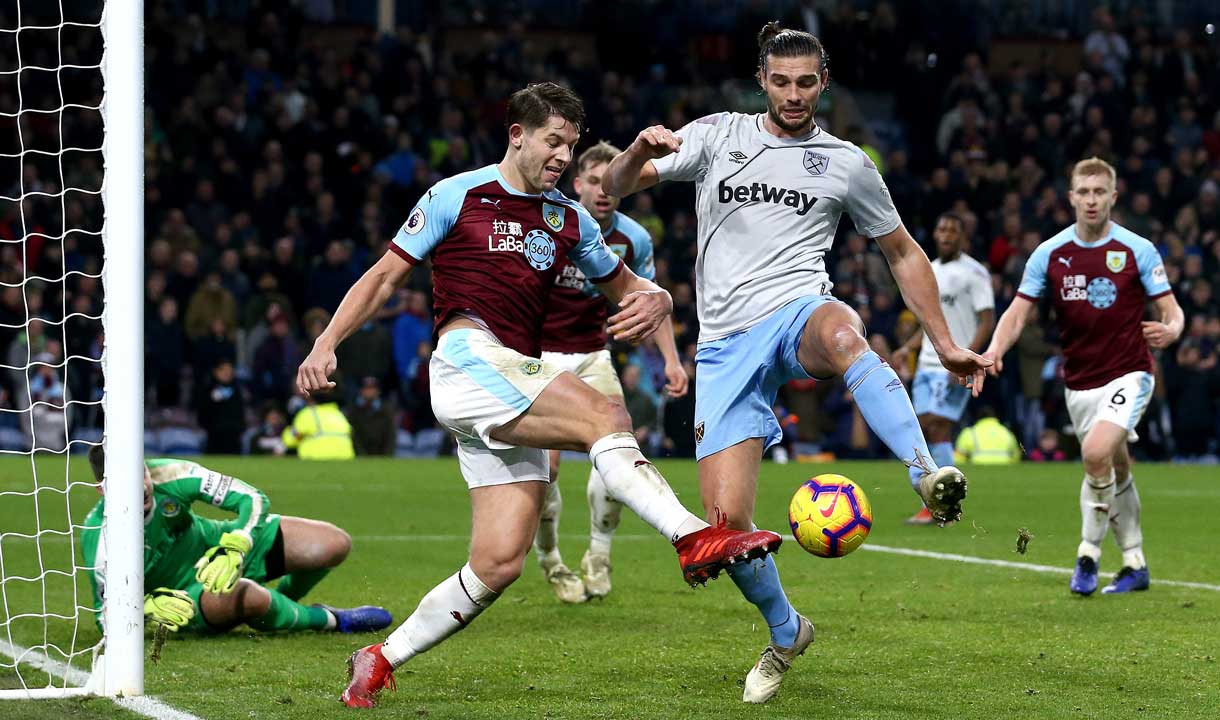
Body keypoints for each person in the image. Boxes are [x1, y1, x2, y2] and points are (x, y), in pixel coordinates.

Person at [295, 82, 782, 708]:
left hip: (506, 384)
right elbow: (386, 274)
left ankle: (380, 658)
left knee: (498, 564)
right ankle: (692, 535)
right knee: (604, 413)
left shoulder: (570, 218)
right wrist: (325, 342)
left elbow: (629, 286)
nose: (563, 156)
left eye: (571, 145)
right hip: (468, 361)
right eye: (554, 142)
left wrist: (656, 297)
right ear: (516, 135)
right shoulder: (457, 195)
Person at [603, 23, 990, 703]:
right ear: (761, 80)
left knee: (845, 335)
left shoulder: (846, 161)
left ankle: (925, 474)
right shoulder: (719, 134)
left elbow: (901, 252)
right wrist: (638, 148)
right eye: (780, 81)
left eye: (805, 82)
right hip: (724, 348)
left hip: (799, 311)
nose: (793, 94)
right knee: (726, 532)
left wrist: (945, 341)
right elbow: (613, 187)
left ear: (824, 81)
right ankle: (787, 631)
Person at [982, 157, 1184, 596]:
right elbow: (1018, 312)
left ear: (1114, 196)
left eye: (1100, 192)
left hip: (1129, 373)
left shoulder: (1137, 249)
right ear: (1071, 197)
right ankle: (1135, 563)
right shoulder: (1051, 253)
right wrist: (995, 348)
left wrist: (1171, 329)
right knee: (1115, 466)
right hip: (1079, 382)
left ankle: (1087, 556)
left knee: (1094, 454)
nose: (1092, 200)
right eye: (1084, 192)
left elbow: (1172, 311)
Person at [532, 140, 689, 604]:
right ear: (577, 184)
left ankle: (598, 555)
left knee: (618, 450)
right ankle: (552, 561)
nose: (604, 193)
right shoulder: (548, 223)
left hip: (591, 354)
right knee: (546, 469)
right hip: (538, 358)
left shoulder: (633, 239)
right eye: (595, 183)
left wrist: (673, 360)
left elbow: (645, 300)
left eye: (612, 185)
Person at [79, 446, 391, 635]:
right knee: (248, 596)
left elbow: (250, 497)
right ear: (102, 490)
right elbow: (104, 615)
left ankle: (284, 605)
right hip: (191, 594)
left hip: (220, 547)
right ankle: (330, 619)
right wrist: (146, 607)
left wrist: (237, 541)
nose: (142, 486)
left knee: (334, 543)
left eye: (142, 473)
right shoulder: (100, 538)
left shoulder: (170, 475)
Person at [891, 212, 995, 523]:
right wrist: (907, 348)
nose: (946, 234)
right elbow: (929, 323)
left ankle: (943, 503)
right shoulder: (929, 270)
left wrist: (965, 356)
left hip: (953, 365)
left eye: (953, 230)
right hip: (926, 363)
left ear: (963, 237)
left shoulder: (975, 273)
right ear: (935, 234)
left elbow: (986, 319)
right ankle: (937, 499)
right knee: (924, 427)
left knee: (938, 424)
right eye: (942, 228)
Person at [282, 387, 356, 460]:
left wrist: (288, 431)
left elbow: (290, 440)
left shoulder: (307, 413)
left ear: (312, 399)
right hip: (345, 457)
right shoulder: (338, 413)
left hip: (317, 457)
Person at [953, 406, 1021, 464]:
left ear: (978, 418)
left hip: (977, 464)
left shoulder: (969, 432)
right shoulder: (1006, 432)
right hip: (1004, 464)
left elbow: (959, 458)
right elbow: (1015, 456)